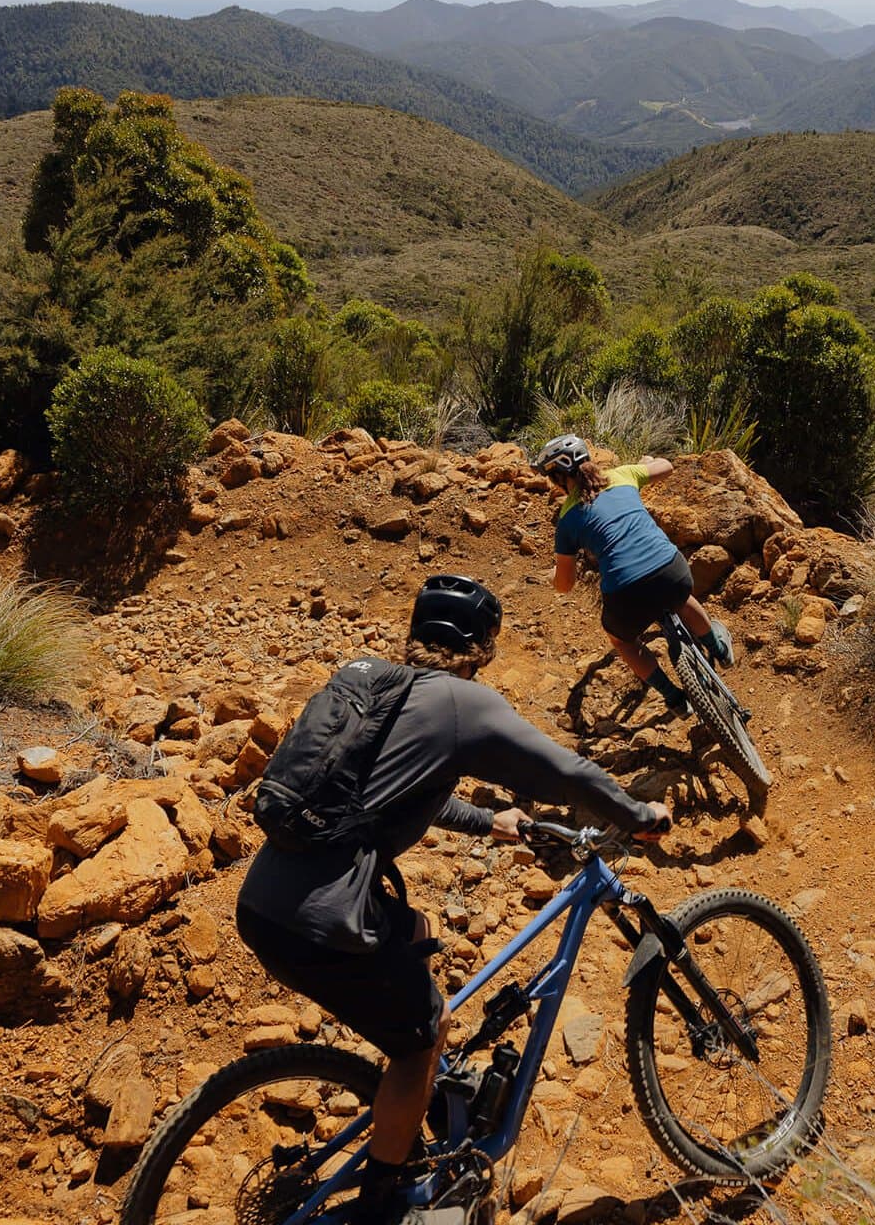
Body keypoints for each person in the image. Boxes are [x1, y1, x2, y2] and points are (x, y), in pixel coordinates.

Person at [235, 574, 669, 1224]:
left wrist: (495, 822)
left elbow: (392, 792)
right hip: (320, 923)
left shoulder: (381, 685)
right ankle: (386, 1198)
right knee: (419, 1040)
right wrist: (636, 812)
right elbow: (566, 773)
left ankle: (427, 1102)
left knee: (415, 931)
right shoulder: (462, 701)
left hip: (263, 902)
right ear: (481, 647)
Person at [535, 435, 735, 715]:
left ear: (558, 477)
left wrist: (555, 576)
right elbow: (667, 466)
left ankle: (674, 698)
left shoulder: (567, 519)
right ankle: (720, 650)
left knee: (621, 640)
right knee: (681, 597)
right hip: (671, 570)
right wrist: (645, 463)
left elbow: (565, 585)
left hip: (626, 594)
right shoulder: (623, 475)